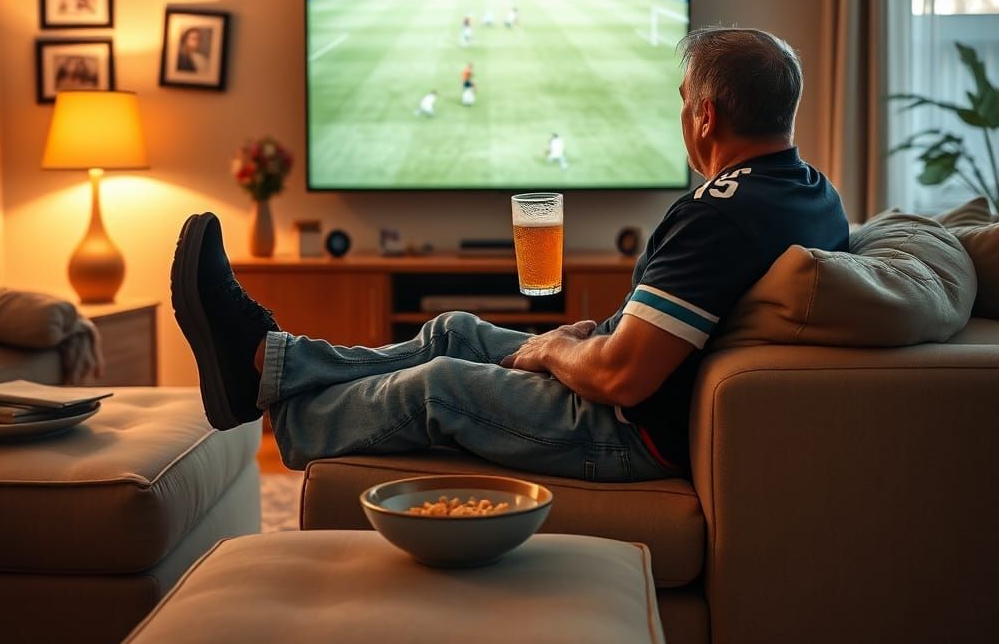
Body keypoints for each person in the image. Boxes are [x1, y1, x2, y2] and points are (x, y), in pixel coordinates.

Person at [171, 27, 849, 481]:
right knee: (454, 331)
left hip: (627, 432)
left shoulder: (716, 216)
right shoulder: (814, 192)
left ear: (705, 117)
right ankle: (267, 362)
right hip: (638, 392)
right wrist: (579, 337)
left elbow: (622, 379)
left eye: (682, 104)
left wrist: (554, 350)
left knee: (439, 383)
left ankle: (281, 404)